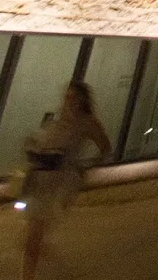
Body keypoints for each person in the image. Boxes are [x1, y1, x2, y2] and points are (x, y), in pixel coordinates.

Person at [20, 81, 111, 280]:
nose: (69, 102)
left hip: (59, 183)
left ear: (83, 101)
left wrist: (85, 168)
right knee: (30, 239)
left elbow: (105, 148)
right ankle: (63, 272)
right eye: (67, 97)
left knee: (33, 237)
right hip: (39, 178)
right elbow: (45, 143)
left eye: (74, 98)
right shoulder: (58, 120)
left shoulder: (87, 122)